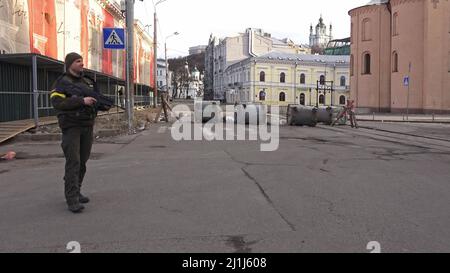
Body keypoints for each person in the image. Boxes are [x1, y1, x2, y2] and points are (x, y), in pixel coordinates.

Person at [50, 52, 104, 213]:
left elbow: (91, 101)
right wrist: (81, 101)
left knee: (82, 162)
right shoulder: (62, 82)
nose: (82, 63)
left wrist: (98, 104)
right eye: (78, 61)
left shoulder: (85, 82)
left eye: (82, 61)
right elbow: (57, 102)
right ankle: (72, 198)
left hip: (87, 126)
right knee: (73, 162)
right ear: (70, 64)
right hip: (72, 127)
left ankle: (77, 190)